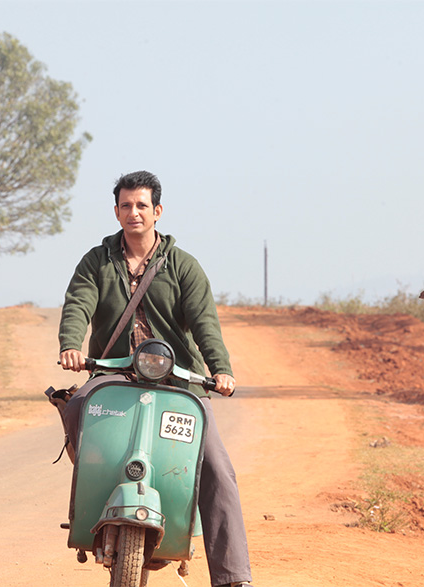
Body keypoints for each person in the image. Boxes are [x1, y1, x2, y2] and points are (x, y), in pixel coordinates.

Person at [58, 170, 254, 587]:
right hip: (113, 373)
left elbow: (204, 322)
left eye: (142, 205)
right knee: (77, 408)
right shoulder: (97, 261)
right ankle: (97, 496)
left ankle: (232, 576)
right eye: (126, 205)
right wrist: (71, 345)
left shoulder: (183, 266)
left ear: (157, 211)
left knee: (217, 468)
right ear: (116, 212)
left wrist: (220, 369)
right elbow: (78, 303)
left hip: (176, 380)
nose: (134, 212)